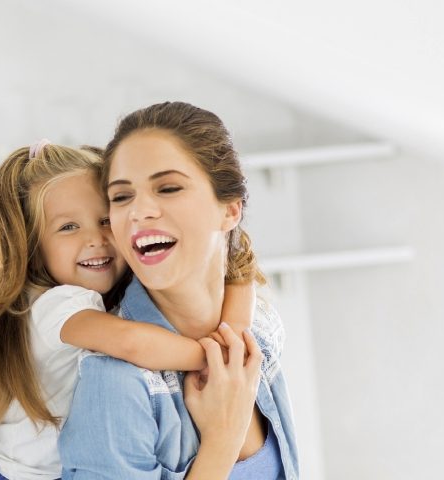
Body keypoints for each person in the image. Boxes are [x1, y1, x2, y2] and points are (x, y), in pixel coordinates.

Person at [0, 141, 254, 480]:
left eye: (104, 220)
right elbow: (133, 344)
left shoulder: (105, 292)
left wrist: (234, 323)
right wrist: (214, 358)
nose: (96, 238)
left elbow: (240, 275)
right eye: (68, 227)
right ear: (34, 250)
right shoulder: (54, 305)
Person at [57, 101, 300, 479]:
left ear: (230, 210)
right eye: (121, 197)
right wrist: (222, 440)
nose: (139, 211)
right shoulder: (116, 382)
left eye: (168, 188)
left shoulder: (261, 330)